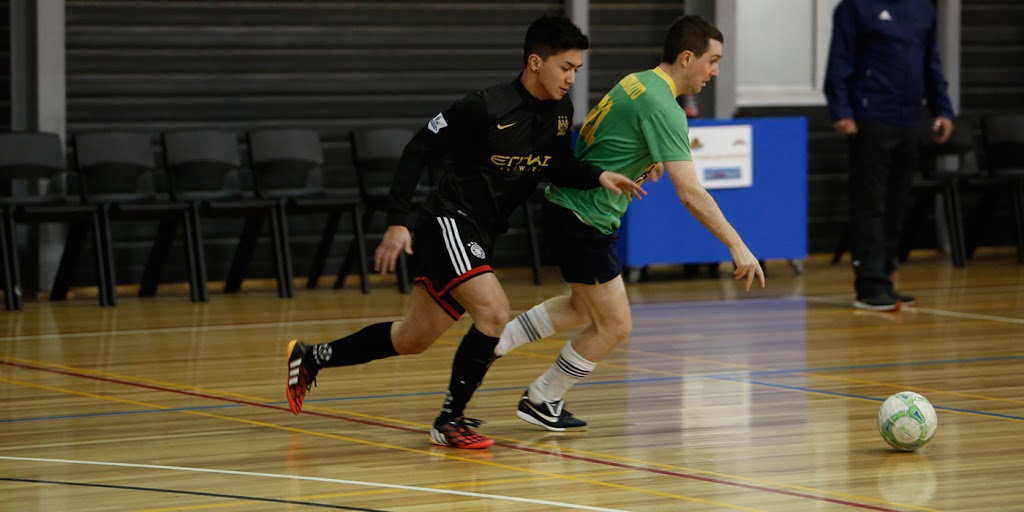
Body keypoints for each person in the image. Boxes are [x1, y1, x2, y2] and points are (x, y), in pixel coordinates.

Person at [285, 15, 644, 449]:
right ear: (535, 61)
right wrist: (398, 220)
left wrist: (600, 176)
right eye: (565, 67)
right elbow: (415, 151)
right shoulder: (482, 107)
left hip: (481, 233)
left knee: (412, 337)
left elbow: (558, 165)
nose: (572, 78)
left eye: (576, 70)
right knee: (494, 312)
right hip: (448, 222)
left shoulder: (560, 113)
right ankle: (449, 420)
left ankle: (311, 357)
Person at [485, 14, 765, 432]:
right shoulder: (663, 106)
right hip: (583, 216)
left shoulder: (639, 82)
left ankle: (494, 343)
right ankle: (543, 395)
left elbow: (613, 136)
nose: (715, 72)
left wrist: (642, 161)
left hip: (574, 211)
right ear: (687, 57)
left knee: (582, 305)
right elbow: (691, 193)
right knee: (615, 325)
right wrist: (737, 245)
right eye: (713, 60)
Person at [824, 0, 954, 311]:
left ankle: (886, 276)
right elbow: (839, 62)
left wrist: (942, 109)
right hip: (871, 117)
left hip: (909, 118)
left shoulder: (923, 10)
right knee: (870, 201)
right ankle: (869, 284)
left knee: (898, 201)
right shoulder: (855, 8)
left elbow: (931, 63)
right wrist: (840, 110)